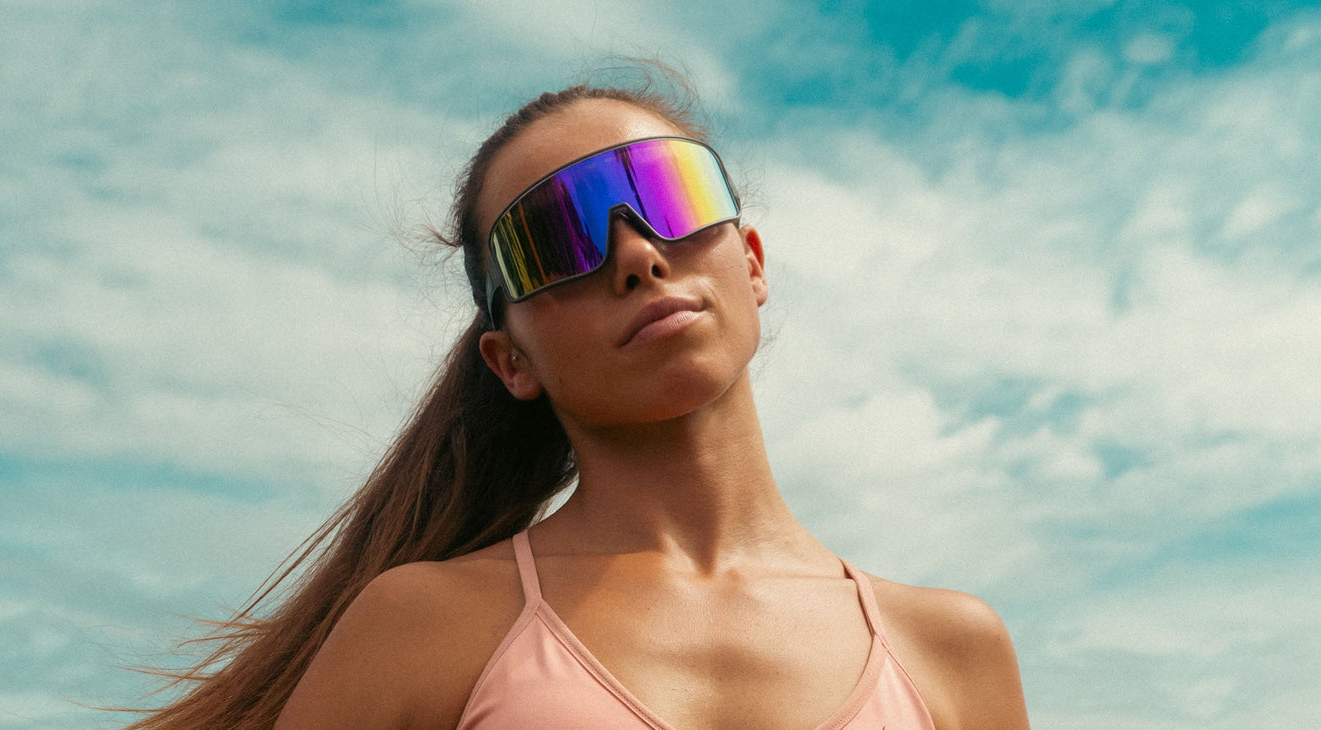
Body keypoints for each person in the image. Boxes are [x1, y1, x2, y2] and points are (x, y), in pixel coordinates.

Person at [130, 79, 1028, 729]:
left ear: (750, 262)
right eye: (555, 238)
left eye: (670, 195)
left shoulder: (950, 648)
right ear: (508, 358)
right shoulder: (426, 629)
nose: (635, 253)